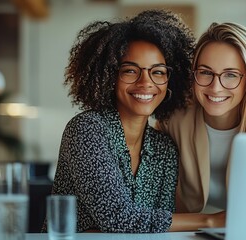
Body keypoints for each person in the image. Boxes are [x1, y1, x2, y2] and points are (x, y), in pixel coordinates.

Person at [47, 9, 198, 233]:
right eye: (130, 70)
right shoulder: (86, 130)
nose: (146, 82)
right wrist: (211, 221)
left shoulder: (165, 150)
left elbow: (160, 227)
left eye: (158, 72)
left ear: (170, 81)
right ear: (109, 77)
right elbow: (117, 218)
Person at [157, 22, 246, 214]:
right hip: (189, 230)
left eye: (230, 75)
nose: (216, 87)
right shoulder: (173, 118)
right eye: (206, 72)